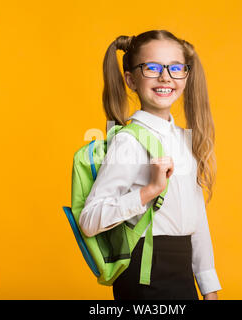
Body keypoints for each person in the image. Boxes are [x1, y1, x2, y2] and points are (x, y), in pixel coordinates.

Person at [79, 29, 222, 300]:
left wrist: (208, 287)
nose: (165, 76)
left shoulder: (183, 139)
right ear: (131, 80)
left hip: (181, 274)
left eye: (175, 68)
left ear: (186, 75)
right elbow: (89, 220)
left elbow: (197, 220)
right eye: (152, 67)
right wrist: (150, 190)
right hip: (144, 275)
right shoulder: (129, 141)